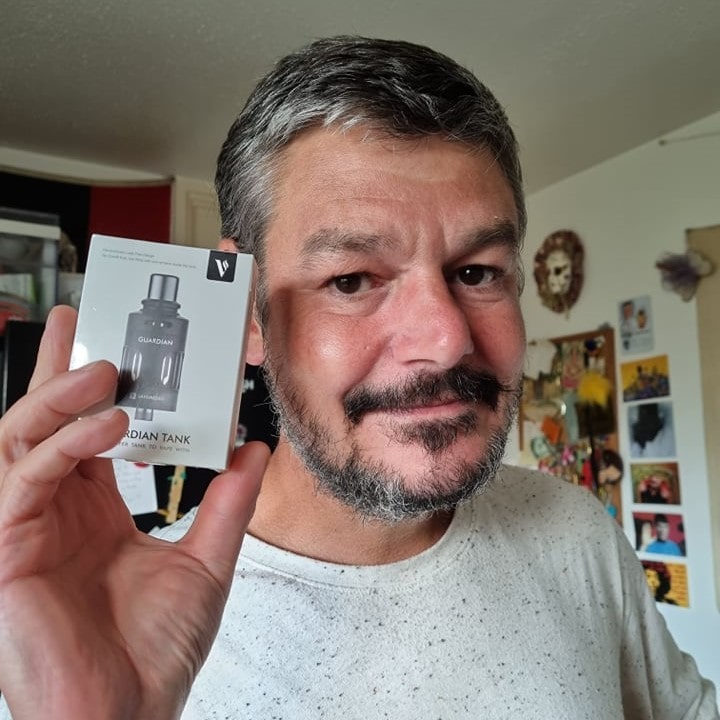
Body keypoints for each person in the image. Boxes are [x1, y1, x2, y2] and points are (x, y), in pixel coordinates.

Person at [0, 36, 717, 719]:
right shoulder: (116, 627)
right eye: (350, 280)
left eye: (477, 273)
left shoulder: (577, 532)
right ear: (246, 313)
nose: (446, 341)